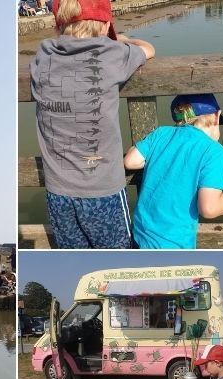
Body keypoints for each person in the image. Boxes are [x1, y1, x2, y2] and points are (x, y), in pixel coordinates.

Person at [30, 0, 155, 248]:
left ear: (58, 25)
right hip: (103, 191)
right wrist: (122, 39)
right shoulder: (113, 53)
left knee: (72, 252)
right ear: (106, 25)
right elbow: (149, 49)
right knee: (117, 253)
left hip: (58, 191)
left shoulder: (43, 56)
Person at [124, 94, 223, 248]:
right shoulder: (214, 151)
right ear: (217, 116)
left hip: (139, 237)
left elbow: (130, 161)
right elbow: (209, 208)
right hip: (173, 245)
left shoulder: (161, 133)